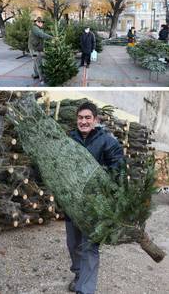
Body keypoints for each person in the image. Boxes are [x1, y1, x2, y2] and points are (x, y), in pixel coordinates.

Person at [66, 102, 124, 294]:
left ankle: (85, 289)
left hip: (95, 207)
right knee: (73, 244)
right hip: (72, 205)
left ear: (96, 120)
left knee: (89, 247)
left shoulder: (108, 141)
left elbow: (118, 170)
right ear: (77, 120)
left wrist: (97, 180)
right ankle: (78, 274)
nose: (83, 121)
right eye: (80, 118)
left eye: (87, 118)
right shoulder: (68, 140)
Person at [28, 17, 53, 83]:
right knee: (38, 63)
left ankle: (36, 75)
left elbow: (42, 35)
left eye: (42, 22)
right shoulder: (35, 28)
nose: (42, 24)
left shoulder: (38, 28)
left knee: (35, 62)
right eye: (41, 22)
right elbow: (41, 34)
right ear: (38, 22)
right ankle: (42, 78)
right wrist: (52, 38)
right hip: (34, 49)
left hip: (36, 48)